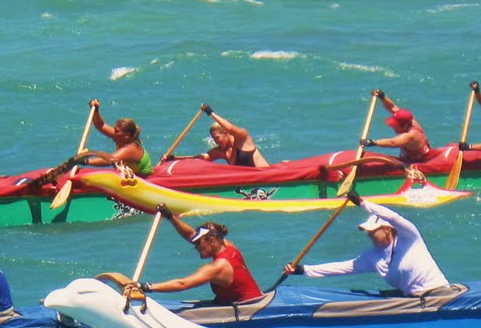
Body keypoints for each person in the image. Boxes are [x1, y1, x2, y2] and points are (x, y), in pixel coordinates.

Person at [282, 183, 450, 295]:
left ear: (387, 230)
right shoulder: (373, 257)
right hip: (415, 299)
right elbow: (342, 268)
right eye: (368, 232)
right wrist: (302, 270)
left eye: (373, 231)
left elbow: (393, 217)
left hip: (439, 293)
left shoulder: (410, 238)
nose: (369, 235)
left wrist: (362, 203)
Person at [143, 207, 264, 304]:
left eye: (198, 243)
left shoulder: (217, 267)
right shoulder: (228, 245)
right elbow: (190, 234)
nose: (195, 246)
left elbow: (182, 284)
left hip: (247, 310)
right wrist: (170, 217)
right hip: (253, 299)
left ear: (211, 240)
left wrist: (146, 287)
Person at [169, 104, 269, 167]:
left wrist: (210, 112)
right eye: (213, 139)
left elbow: (230, 127)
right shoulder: (221, 151)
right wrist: (174, 158)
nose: (216, 142)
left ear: (225, 133)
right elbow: (199, 158)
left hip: (267, 180)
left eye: (217, 138)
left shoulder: (242, 138)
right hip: (249, 186)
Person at [76, 99, 154, 175]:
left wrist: (84, 161)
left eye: (116, 131)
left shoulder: (130, 149)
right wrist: (96, 110)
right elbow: (101, 125)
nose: (113, 133)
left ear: (126, 135)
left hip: (144, 179)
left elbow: (110, 160)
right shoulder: (121, 137)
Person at [361, 89, 432, 164]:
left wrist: (371, 142)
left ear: (404, 126)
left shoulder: (411, 135)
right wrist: (382, 96)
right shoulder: (409, 119)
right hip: (409, 156)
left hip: (418, 161)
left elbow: (392, 143)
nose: (393, 127)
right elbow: (393, 107)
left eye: (395, 125)